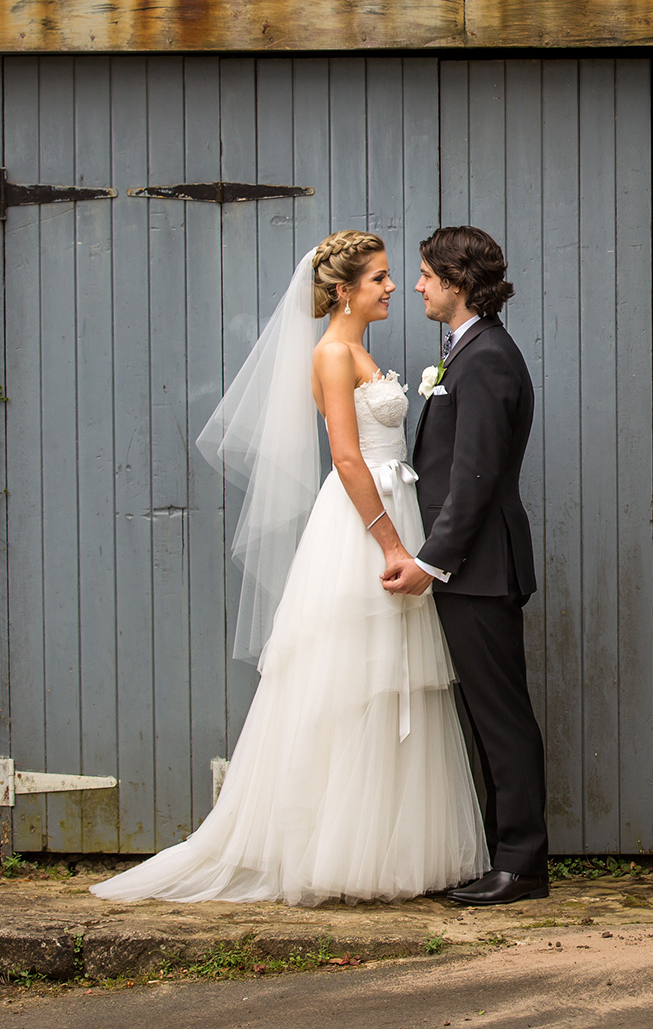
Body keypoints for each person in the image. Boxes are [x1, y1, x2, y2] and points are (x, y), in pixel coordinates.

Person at [91, 230, 487, 906]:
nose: (393, 287)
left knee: (392, 680)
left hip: (394, 510)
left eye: (394, 277)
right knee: (351, 680)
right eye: (380, 278)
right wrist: (392, 544)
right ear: (343, 289)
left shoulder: (362, 348)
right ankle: (331, 849)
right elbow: (348, 457)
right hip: (365, 526)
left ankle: (386, 847)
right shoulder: (333, 353)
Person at [380, 226, 549, 905]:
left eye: (424, 273)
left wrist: (430, 561)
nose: (416, 284)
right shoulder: (467, 351)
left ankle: (523, 863)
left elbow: (473, 479)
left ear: (455, 279)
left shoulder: (485, 359)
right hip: (469, 569)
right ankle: (505, 856)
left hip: (477, 569)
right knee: (485, 715)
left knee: (501, 716)